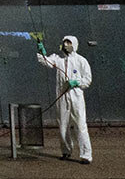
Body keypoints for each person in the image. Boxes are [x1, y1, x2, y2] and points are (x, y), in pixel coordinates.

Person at [37, 34, 92, 164]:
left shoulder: (81, 61)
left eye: (68, 43)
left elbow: (87, 79)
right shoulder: (59, 60)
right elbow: (47, 62)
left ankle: (86, 155)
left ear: (74, 45)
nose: (66, 45)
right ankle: (66, 151)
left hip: (76, 96)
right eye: (65, 42)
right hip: (62, 96)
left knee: (80, 125)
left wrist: (76, 82)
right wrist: (42, 51)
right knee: (63, 125)